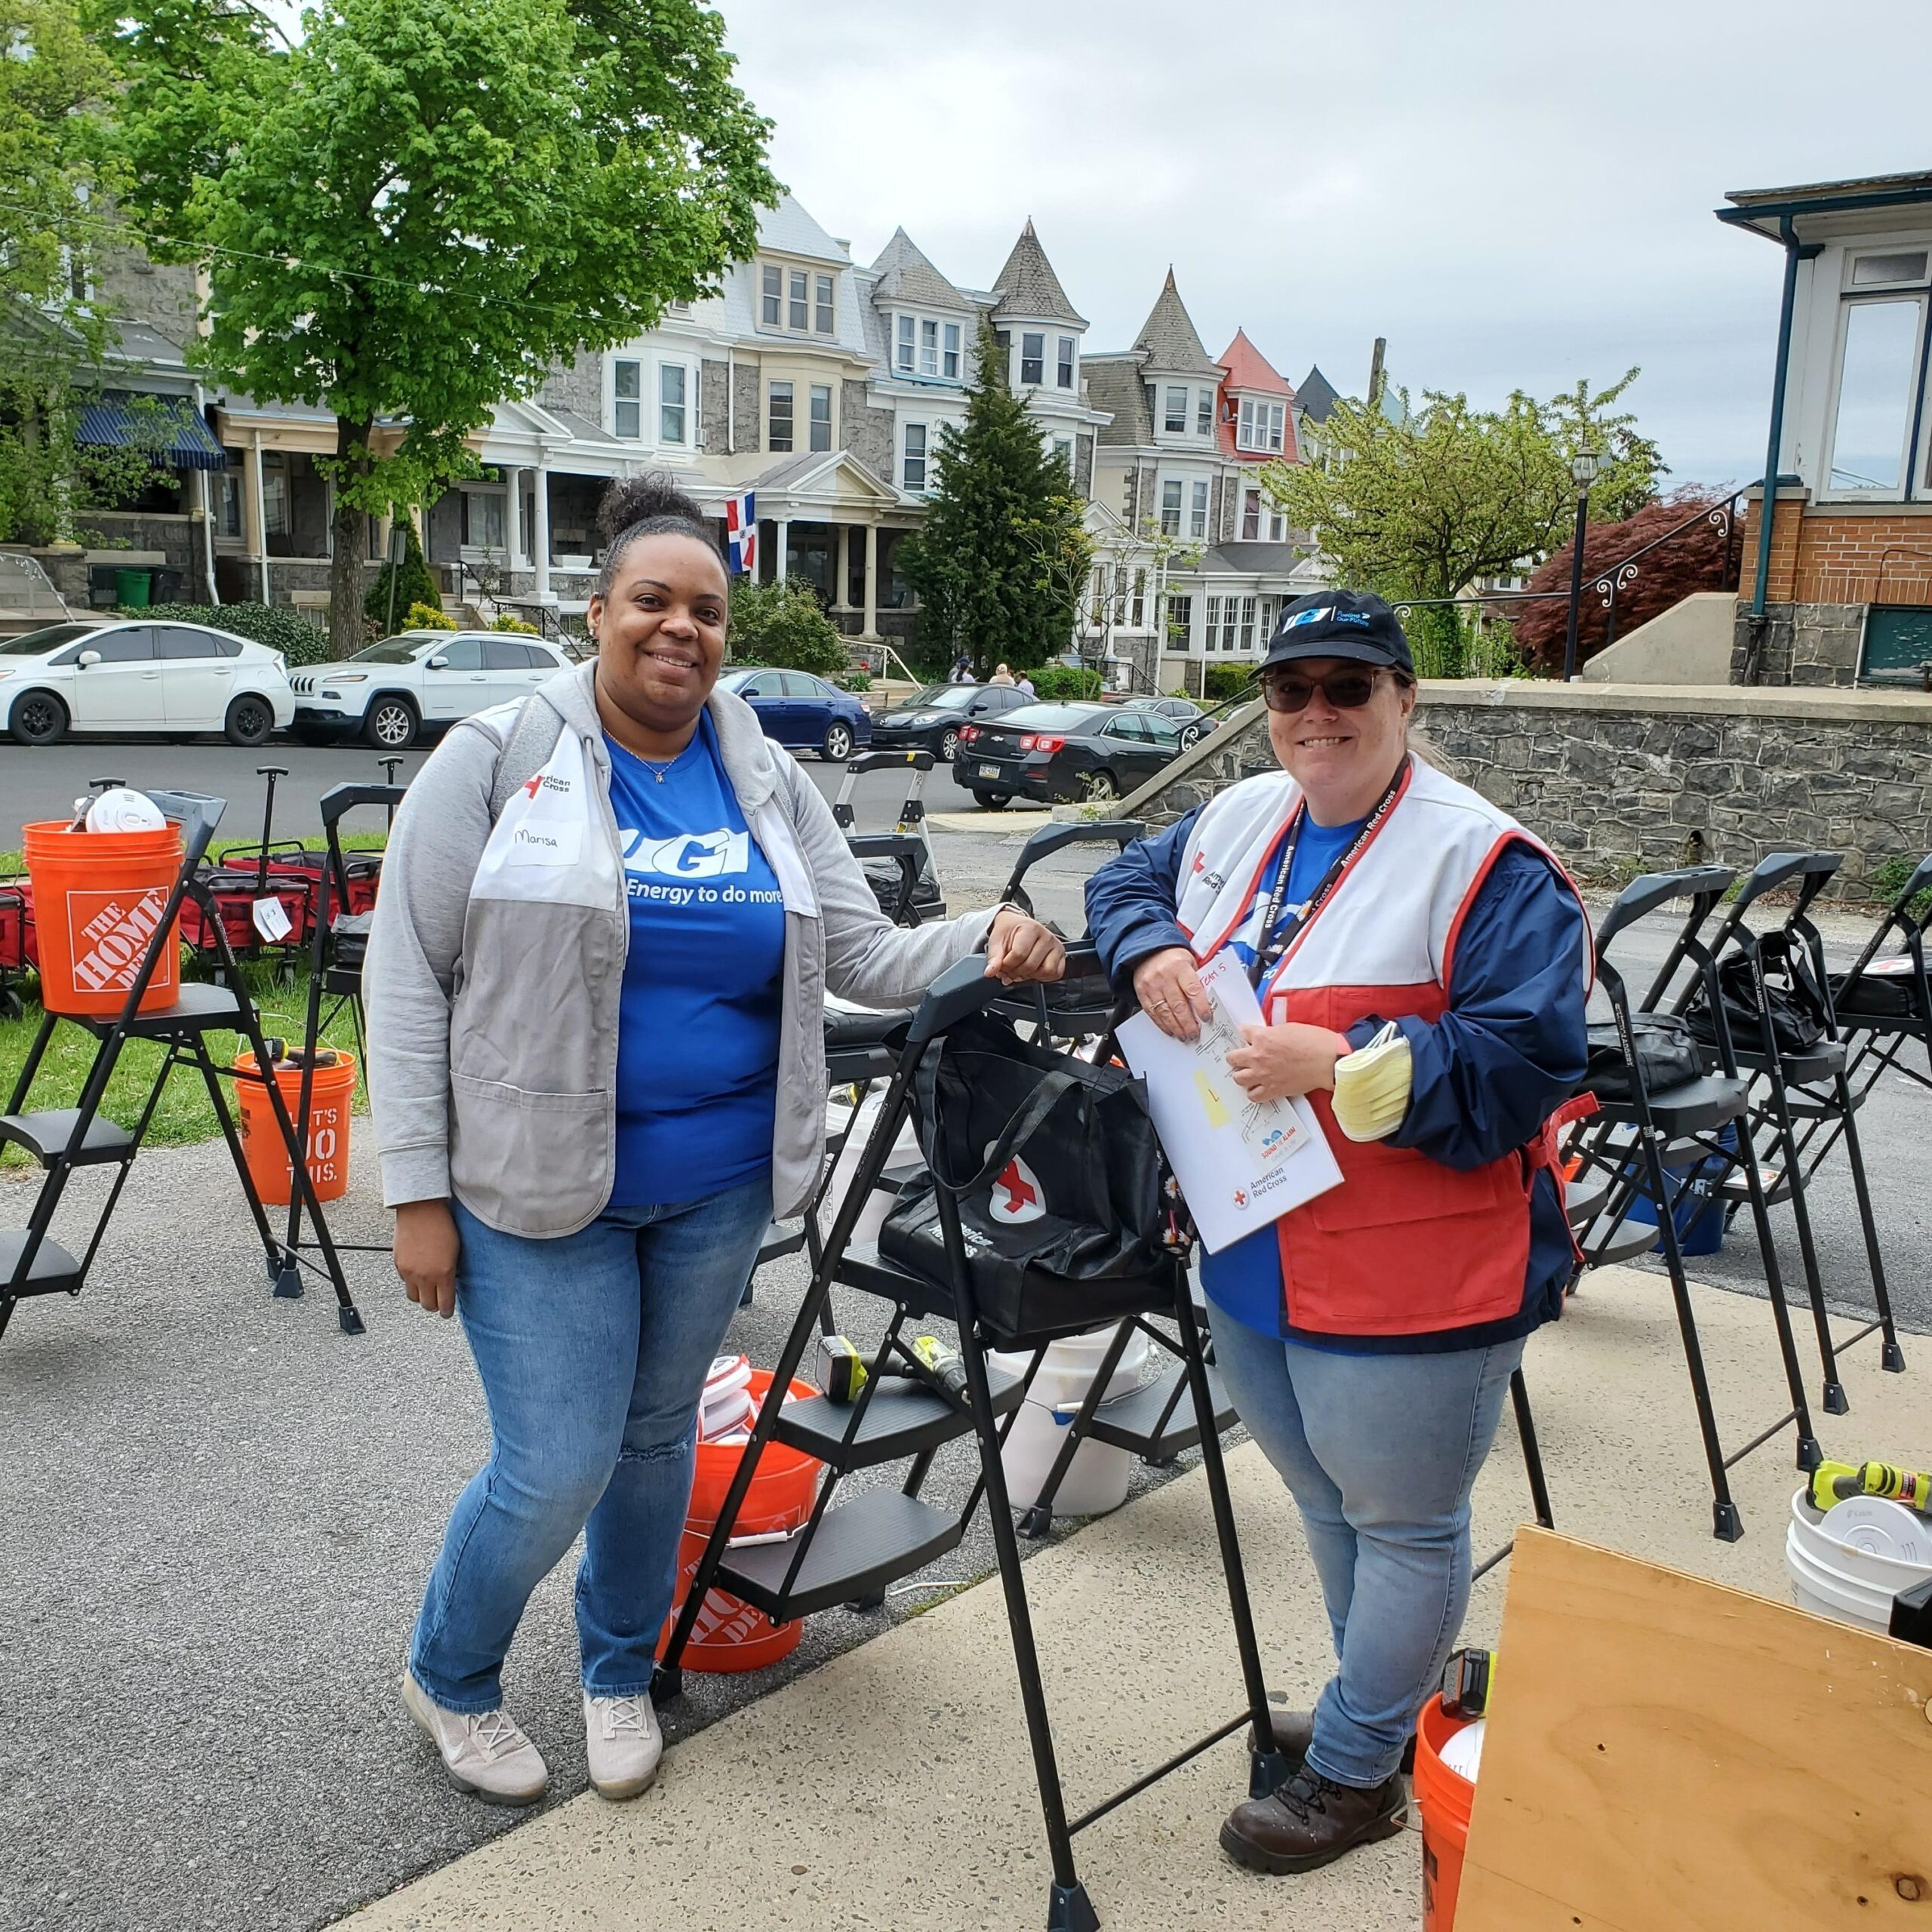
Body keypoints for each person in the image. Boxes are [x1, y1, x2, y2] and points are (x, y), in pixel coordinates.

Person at [365, 474, 1065, 1810]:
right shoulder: (499, 759)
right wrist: (415, 1193)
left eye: (706, 610)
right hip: (531, 1189)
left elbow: (859, 950)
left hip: (718, 1187)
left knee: (653, 1445)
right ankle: (450, 1674)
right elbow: (407, 979)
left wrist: (989, 935)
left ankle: (618, 1667)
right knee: (554, 1462)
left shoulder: (763, 775)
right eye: (652, 602)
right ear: (601, 613)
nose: (680, 628)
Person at [1084, 590, 1587, 1876]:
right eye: (1291, 690)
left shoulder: (1483, 858)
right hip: (1254, 1252)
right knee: (1321, 1496)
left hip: (1414, 1276)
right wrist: (1147, 948)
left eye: (1349, 688)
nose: (1317, 714)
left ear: (1405, 701)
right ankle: (1387, 1708)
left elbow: (1522, 1071)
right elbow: (1124, 871)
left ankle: (1359, 1770)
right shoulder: (1247, 812)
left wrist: (1350, 1063)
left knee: (1406, 1524)